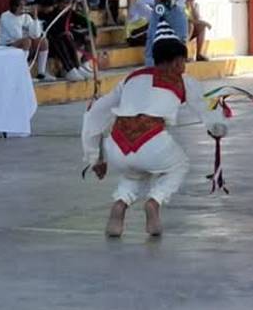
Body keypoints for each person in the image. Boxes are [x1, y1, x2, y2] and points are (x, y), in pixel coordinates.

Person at [82, 20, 228, 237]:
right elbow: (205, 107)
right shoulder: (183, 80)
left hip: (117, 145)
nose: (184, 66)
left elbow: (94, 114)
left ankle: (120, 205)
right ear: (177, 62)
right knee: (179, 164)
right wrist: (217, 127)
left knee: (135, 173)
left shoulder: (131, 77)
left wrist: (94, 158)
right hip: (151, 142)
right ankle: (155, 202)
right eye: (183, 61)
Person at [38, 0, 97, 81]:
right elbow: (51, 29)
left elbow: (89, 24)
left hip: (66, 40)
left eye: (68, 3)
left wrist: (90, 33)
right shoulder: (50, 13)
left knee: (69, 37)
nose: (66, 5)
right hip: (52, 43)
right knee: (62, 37)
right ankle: (69, 69)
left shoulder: (69, 13)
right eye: (64, 3)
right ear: (58, 3)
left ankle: (77, 67)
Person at [0, 0, 55, 80]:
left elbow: (36, 34)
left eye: (24, 5)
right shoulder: (5, 16)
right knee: (26, 41)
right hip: (7, 45)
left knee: (43, 41)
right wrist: (28, 33)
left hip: (24, 43)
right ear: (14, 6)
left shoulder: (26, 17)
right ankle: (23, 73)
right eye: (20, 6)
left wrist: (35, 18)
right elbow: (16, 35)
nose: (23, 8)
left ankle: (41, 73)